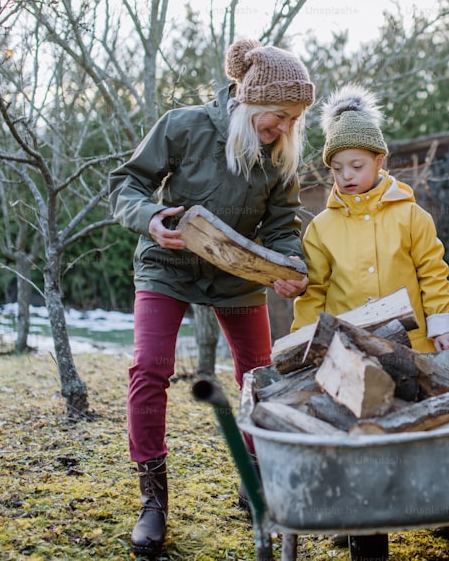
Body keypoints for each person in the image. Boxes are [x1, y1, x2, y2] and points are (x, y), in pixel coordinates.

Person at [108, 38, 313, 556]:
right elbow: (126, 186)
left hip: (237, 273)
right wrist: (150, 219)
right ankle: (153, 501)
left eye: (293, 119)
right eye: (278, 115)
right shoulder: (183, 126)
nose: (285, 128)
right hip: (168, 265)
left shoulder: (277, 155)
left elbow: (284, 226)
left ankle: (256, 478)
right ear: (249, 102)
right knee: (150, 366)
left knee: (259, 377)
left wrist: (290, 264)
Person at [290, 85, 449, 561]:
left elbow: (433, 273)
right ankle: (365, 532)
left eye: (356, 166)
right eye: (337, 168)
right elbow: (315, 292)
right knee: (361, 434)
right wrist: (307, 342)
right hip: (352, 353)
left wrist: (443, 323)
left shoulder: (411, 216)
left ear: (379, 161)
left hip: (413, 346)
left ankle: (443, 508)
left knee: (421, 424)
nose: (346, 176)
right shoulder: (322, 229)